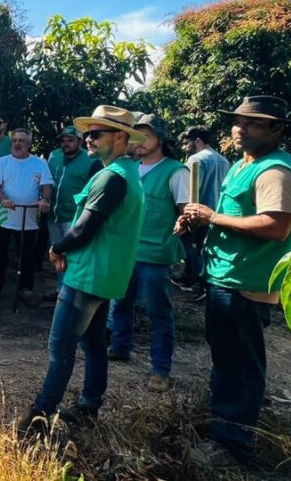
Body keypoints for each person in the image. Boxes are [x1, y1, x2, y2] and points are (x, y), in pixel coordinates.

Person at [176, 96, 291, 469]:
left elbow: (276, 226)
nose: (240, 128)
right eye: (237, 121)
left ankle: (234, 447)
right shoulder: (241, 166)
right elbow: (233, 219)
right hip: (225, 277)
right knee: (226, 359)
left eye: (253, 123)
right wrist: (198, 221)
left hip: (246, 284)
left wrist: (212, 216)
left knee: (241, 366)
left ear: (277, 129)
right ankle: (224, 429)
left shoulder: (275, 171)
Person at [18, 105, 145, 437]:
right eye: (88, 132)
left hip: (88, 276)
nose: (89, 138)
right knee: (92, 345)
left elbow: (85, 228)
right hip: (103, 275)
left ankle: (38, 418)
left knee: (60, 348)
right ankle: (89, 405)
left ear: (120, 137)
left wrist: (57, 249)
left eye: (96, 133)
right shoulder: (126, 173)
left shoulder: (112, 177)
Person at [107, 114, 187, 393]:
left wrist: (184, 223)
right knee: (120, 302)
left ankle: (160, 368)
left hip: (156, 253)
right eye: (136, 136)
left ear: (161, 139)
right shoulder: (130, 168)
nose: (139, 142)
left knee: (158, 311)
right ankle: (119, 345)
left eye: (146, 136)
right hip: (128, 250)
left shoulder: (176, 171)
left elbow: (185, 212)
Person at [0, 128, 53, 306]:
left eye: (21, 141)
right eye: (14, 140)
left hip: (28, 218)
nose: (17, 144)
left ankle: (26, 289)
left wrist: (44, 199)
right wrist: (3, 199)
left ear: (30, 144)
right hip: (4, 217)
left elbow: (46, 185)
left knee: (26, 256)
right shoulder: (2, 162)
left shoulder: (39, 163)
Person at [45, 126, 102, 295]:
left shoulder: (91, 160)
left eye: (70, 140)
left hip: (74, 217)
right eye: (63, 141)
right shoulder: (54, 156)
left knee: (74, 256)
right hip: (53, 216)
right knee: (57, 255)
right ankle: (60, 290)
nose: (66, 144)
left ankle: (72, 291)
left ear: (80, 141)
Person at [178, 126, 232, 297]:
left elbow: (190, 191)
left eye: (188, 143)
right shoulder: (225, 161)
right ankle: (202, 283)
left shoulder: (195, 160)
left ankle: (198, 282)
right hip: (219, 214)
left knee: (192, 248)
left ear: (198, 141)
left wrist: (185, 216)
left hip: (199, 213)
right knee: (207, 249)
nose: (185, 148)